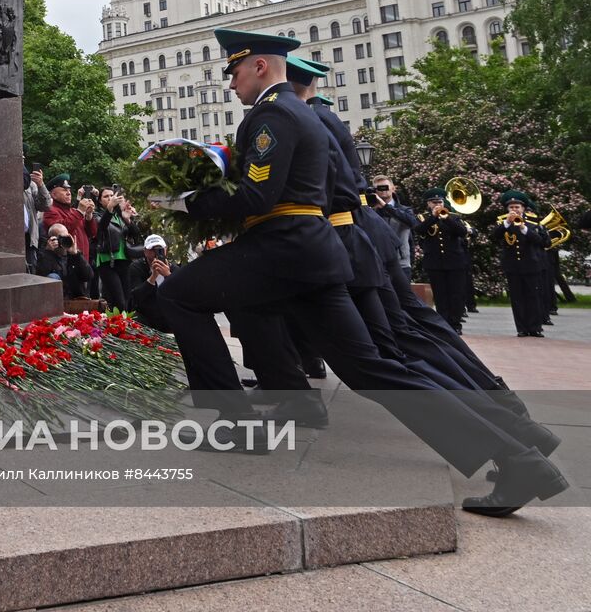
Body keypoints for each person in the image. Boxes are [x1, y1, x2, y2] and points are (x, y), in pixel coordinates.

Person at [150, 28, 565, 514]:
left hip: (281, 250)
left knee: (178, 294)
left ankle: (235, 426)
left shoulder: (270, 116)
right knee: (372, 370)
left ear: (260, 67)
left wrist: (184, 200)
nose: (232, 83)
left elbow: (258, 196)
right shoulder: (305, 115)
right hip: (313, 252)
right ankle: (520, 457)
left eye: (235, 71)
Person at [415, 190, 469, 334]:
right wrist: (433, 218)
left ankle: (456, 324)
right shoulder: (423, 218)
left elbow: (462, 232)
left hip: (455, 261)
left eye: (440, 202)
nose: (437, 205)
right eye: (434, 202)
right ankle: (444, 324)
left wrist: (446, 218)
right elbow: (419, 230)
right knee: (440, 294)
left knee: (456, 293)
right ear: (428, 204)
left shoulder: (454, 217)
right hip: (435, 262)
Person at [498, 191, 549, 337]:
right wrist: (506, 223)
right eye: (511, 207)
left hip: (531, 265)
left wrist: (524, 229)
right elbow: (494, 236)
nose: (514, 210)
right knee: (517, 298)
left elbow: (543, 242)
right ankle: (521, 328)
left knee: (533, 296)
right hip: (513, 266)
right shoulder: (503, 223)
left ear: (523, 208)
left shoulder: (533, 224)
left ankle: (535, 327)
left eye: (517, 207)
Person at [92, 186, 143, 311]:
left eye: (111, 195)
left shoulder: (120, 214)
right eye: (106, 196)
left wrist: (127, 219)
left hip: (124, 259)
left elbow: (136, 234)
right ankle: (117, 325)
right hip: (107, 261)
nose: (110, 198)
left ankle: (123, 325)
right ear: (100, 201)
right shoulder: (97, 214)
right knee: (118, 300)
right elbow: (101, 227)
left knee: (126, 299)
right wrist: (109, 208)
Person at [125, 234, 177, 331]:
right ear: (145, 252)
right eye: (152, 249)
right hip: (145, 316)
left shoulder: (173, 269)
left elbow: (181, 295)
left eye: (160, 249)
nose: (156, 253)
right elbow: (135, 297)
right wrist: (153, 277)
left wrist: (168, 276)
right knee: (135, 317)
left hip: (167, 316)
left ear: (166, 250)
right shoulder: (137, 267)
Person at [42, 173, 97, 265]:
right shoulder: (50, 211)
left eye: (69, 190)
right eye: (64, 190)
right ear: (53, 195)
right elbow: (62, 231)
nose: (69, 193)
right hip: (67, 263)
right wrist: (79, 211)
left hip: (83, 261)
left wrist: (89, 215)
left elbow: (92, 233)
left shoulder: (73, 211)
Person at [371, 175, 418, 281]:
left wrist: (385, 206)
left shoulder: (405, 210)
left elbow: (412, 222)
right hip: (380, 263)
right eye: (379, 188)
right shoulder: (371, 212)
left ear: (393, 188)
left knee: (404, 296)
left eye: (385, 187)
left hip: (401, 263)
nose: (383, 191)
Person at [34, 223, 94, 298]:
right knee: (52, 277)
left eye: (66, 237)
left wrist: (76, 255)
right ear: (52, 239)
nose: (65, 240)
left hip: (76, 298)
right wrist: (48, 253)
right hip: (56, 298)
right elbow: (40, 277)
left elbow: (88, 276)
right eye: (61, 238)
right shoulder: (45, 254)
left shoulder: (73, 255)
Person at [22, 165, 49, 273]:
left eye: (23, 158)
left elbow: (45, 206)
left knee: (30, 272)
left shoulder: (30, 185)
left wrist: (41, 185)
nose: (22, 160)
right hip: (12, 239)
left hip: (29, 239)